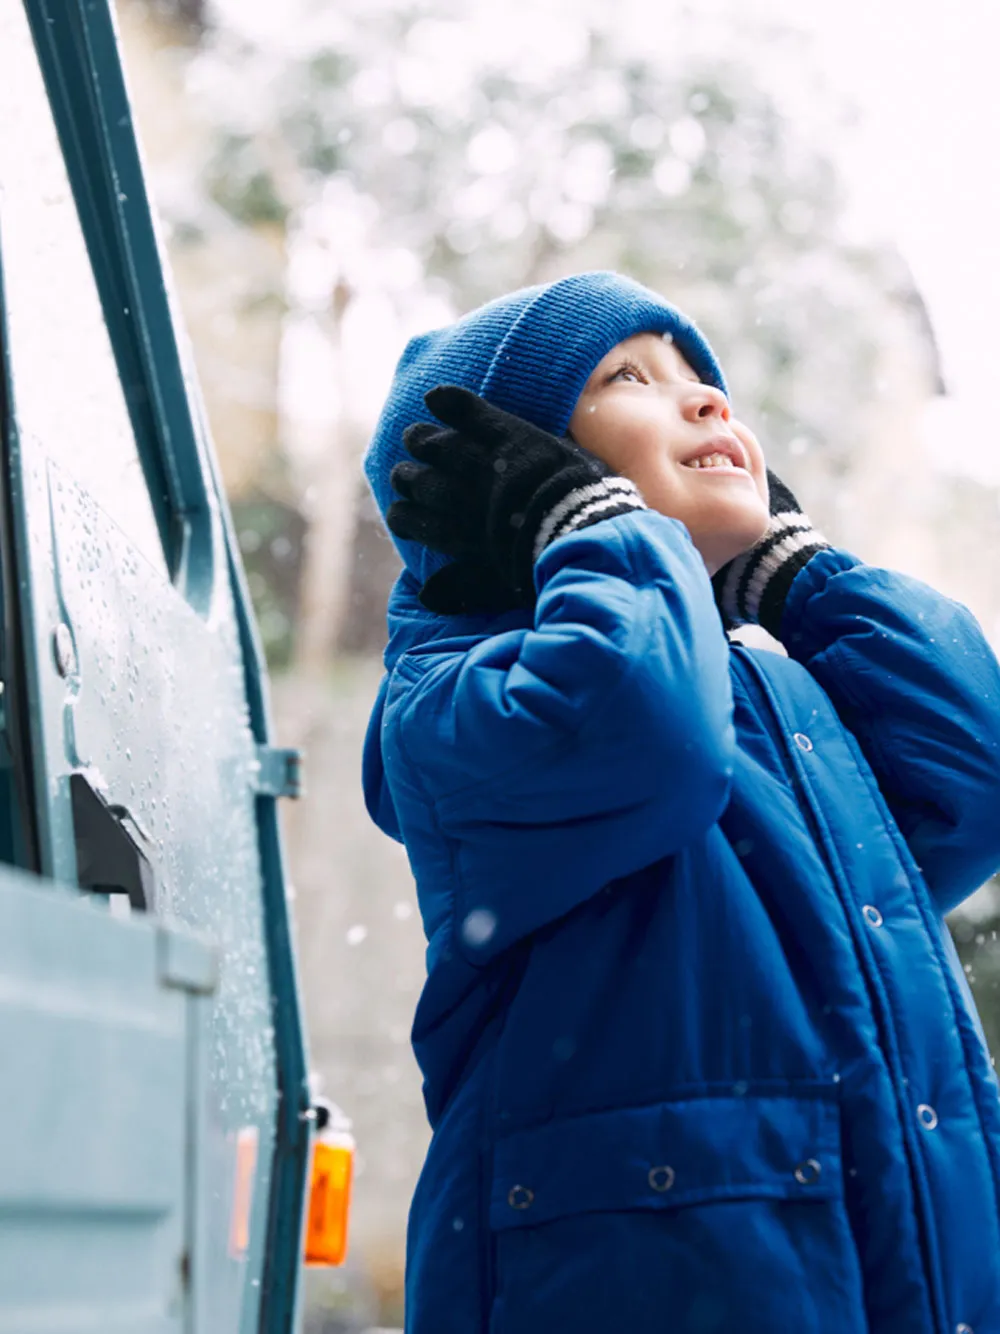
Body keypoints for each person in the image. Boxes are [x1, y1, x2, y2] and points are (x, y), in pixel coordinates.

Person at [361, 270, 1000, 1334]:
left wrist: (791, 573)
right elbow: (644, 731)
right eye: (630, 377)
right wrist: (588, 525)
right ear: (508, 472)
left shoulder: (770, 687)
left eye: (706, 380)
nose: (708, 400)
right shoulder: (457, 695)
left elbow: (968, 783)